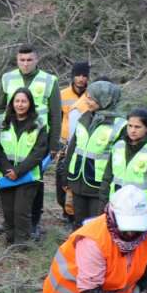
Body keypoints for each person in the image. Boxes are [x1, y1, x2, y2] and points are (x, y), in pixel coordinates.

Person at [0, 45, 60, 239]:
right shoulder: (7, 78)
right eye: (22, 60)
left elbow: (55, 114)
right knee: (9, 174)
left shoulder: (50, 80)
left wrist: (53, 145)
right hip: (12, 137)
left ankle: (33, 221)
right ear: (17, 60)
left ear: (37, 60)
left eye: (29, 60)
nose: (25, 64)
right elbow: (1, 108)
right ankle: (10, 221)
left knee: (35, 180)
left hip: (37, 139)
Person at [0, 87, 50, 245]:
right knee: (9, 211)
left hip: (28, 176)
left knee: (21, 211)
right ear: (11, 103)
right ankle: (10, 240)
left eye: (24, 101)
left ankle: (22, 243)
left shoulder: (39, 124)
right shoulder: (0, 122)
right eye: (17, 101)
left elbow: (39, 152)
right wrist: (7, 170)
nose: (20, 104)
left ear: (30, 103)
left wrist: (18, 171)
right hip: (5, 175)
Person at [65, 80, 125, 226]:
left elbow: (119, 163)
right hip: (78, 182)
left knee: (96, 227)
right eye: (87, 96)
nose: (87, 101)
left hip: (98, 188)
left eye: (91, 98)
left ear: (104, 99)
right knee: (79, 225)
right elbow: (73, 149)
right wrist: (65, 176)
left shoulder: (120, 125)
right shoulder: (84, 118)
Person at [100, 108, 147, 222]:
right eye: (130, 126)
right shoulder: (118, 146)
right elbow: (107, 178)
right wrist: (103, 205)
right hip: (116, 207)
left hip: (141, 210)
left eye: (137, 127)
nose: (132, 130)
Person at [56, 62, 92, 224]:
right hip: (64, 143)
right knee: (61, 177)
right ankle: (65, 210)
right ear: (73, 76)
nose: (81, 79)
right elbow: (56, 118)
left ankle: (74, 213)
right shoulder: (62, 94)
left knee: (75, 177)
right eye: (78, 75)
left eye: (84, 75)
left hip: (83, 143)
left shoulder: (92, 96)